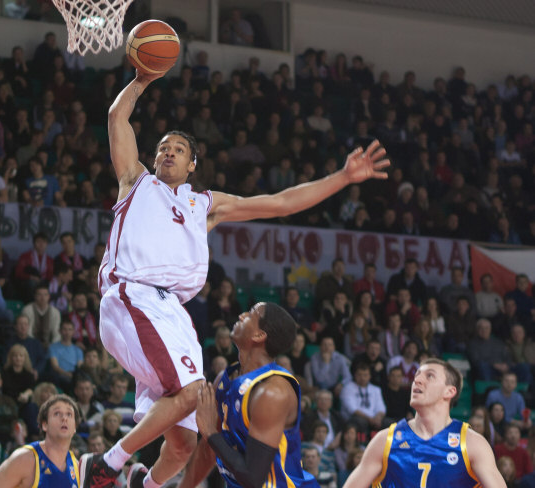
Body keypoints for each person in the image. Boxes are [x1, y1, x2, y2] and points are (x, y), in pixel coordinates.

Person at [78, 69, 389, 488]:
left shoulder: (205, 204)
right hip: (133, 296)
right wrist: (142, 79)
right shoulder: (136, 182)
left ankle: (145, 485)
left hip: (172, 313)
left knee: (186, 439)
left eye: (179, 149)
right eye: (163, 148)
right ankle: (106, 464)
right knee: (192, 393)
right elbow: (118, 117)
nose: (168, 153)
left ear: (192, 164)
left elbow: (279, 203)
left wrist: (343, 178)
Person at [175, 302, 318, 488]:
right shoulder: (224, 380)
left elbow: (253, 479)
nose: (242, 315)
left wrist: (209, 432)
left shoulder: (273, 392)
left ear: (259, 335)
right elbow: (209, 451)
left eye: (251, 314)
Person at [342, 358, 505, 487]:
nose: (417, 380)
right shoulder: (385, 440)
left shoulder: (471, 443)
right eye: (416, 376)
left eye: (430, 376)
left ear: (449, 391)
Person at [0, 394, 81, 487]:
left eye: (69, 414)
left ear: (75, 428)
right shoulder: (23, 459)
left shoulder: (76, 467)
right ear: (44, 425)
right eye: (57, 413)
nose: (64, 418)